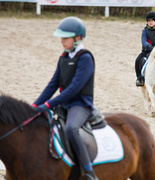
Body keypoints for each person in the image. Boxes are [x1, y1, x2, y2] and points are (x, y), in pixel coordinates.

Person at [32, 17, 99, 180]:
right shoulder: (64, 57)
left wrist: (48, 104)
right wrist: (35, 105)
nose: (61, 41)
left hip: (80, 105)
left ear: (77, 38)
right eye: (61, 38)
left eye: (65, 38)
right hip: (64, 104)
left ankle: (88, 171)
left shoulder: (85, 58)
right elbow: (53, 84)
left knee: (70, 129)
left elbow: (73, 89)